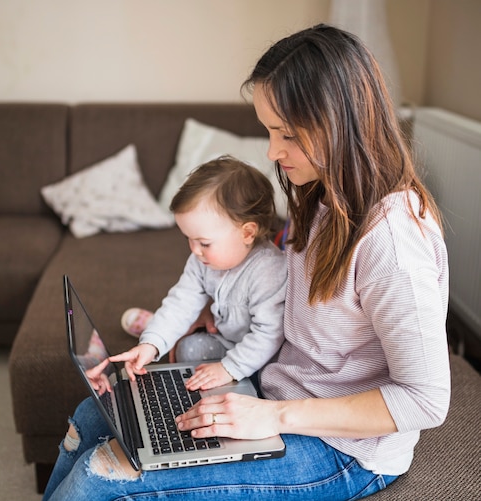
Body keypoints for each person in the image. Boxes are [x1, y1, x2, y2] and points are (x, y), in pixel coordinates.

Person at [43, 24, 450, 500]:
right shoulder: (320, 196)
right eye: (270, 131)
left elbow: (425, 400)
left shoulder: (394, 244)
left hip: (344, 450)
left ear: (343, 123)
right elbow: (275, 292)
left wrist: (273, 415)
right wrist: (208, 319)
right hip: (271, 391)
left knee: (101, 477)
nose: (273, 152)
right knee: (94, 415)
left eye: (288, 134)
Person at [111, 156, 287, 392]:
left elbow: (269, 335)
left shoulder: (268, 271)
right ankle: (156, 329)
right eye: (189, 239)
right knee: (186, 348)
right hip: (226, 339)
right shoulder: (201, 260)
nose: (194, 250)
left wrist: (228, 369)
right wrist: (150, 345)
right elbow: (180, 303)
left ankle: (158, 325)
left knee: (255, 377)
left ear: (247, 233)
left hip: (264, 356)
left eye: (204, 243)